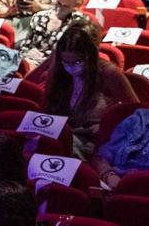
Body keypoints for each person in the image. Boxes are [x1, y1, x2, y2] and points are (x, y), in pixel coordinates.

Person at [39, 26, 135, 156]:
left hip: (96, 137)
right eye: (66, 62)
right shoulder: (59, 70)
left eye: (77, 61)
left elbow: (133, 110)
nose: (71, 67)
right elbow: (46, 103)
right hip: (65, 131)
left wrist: (107, 125)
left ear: (89, 56)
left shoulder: (108, 72)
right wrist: (50, 61)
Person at [15, 0, 90, 65]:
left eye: (65, 6)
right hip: (32, 63)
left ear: (76, 6)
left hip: (59, 68)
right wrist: (29, 53)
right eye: (58, 3)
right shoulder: (39, 17)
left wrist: (45, 59)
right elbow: (24, 46)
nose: (59, 9)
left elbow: (76, 56)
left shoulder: (79, 23)